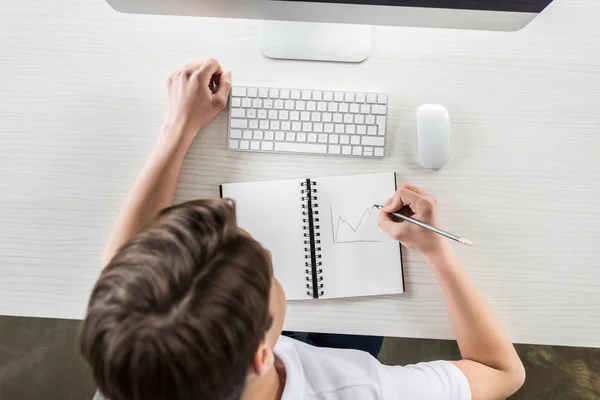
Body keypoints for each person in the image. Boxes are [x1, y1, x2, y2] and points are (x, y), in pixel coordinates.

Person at [81, 58, 526, 400]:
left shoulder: (132, 375)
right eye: (267, 268)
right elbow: (502, 372)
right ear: (260, 355)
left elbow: (126, 274)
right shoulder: (362, 391)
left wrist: (178, 127)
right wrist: (436, 252)